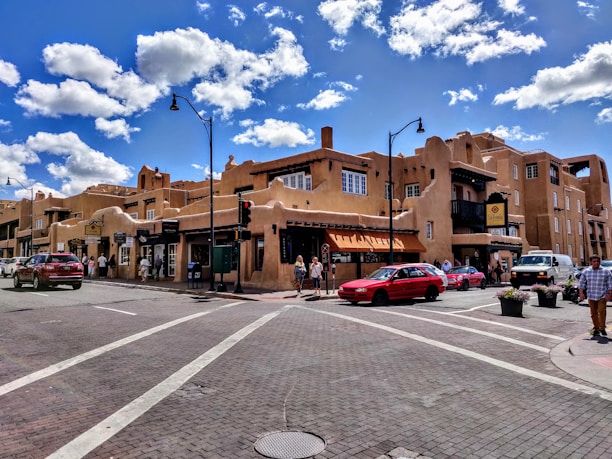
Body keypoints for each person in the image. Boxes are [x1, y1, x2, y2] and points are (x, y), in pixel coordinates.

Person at [578, 255, 612, 337]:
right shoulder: (586, 271)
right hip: (591, 295)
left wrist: (610, 294)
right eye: (594, 261)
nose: (596, 263)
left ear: (600, 262)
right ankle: (596, 328)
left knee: (601, 311)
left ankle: (602, 328)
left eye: (597, 261)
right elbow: (582, 283)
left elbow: (610, 284)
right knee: (593, 313)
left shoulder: (606, 271)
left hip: (602, 295)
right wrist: (581, 293)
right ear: (590, 262)